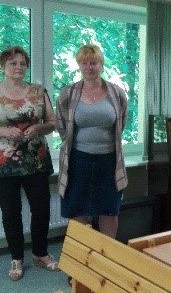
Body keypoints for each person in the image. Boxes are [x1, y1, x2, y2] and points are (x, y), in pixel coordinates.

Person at [56, 44, 127, 238]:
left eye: (94, 63)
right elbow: (61, 124)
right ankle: (82, 251)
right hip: (78, 160)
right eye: (85, 63)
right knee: (77, 208)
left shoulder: (116, 93)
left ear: (101, 65)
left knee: (109, 208)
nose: (89, 67)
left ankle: (106, 251)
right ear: (79, 65)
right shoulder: (68, 93)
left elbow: (121, 122)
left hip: (109, 160)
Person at [0, 46, 56, 280]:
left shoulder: (38, 91)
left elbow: (52, 122)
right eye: (13, 63)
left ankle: (40, 254)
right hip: (5, 163)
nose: (18, 67)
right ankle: (16, 258)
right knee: (10, 211)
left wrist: (38, 128)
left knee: (41, 209)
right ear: (3, 66)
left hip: (36, 160)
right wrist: (4, 130)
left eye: (22, 63)